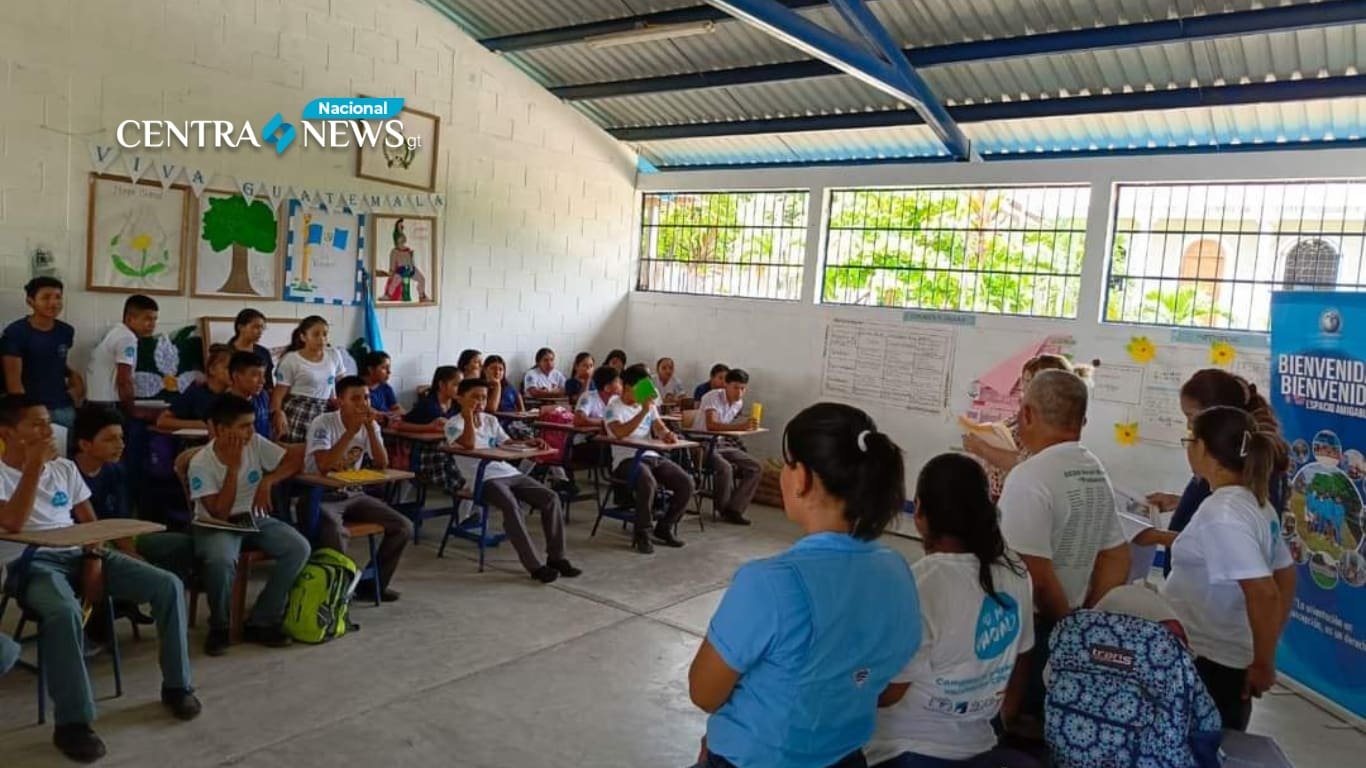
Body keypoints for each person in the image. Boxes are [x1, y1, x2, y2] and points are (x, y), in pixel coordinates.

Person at [689, 402, 921, 768]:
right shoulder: (898, 570)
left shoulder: (769, 583)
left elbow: (704, 692)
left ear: (803, 478)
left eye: (788, 464)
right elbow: (886, 685)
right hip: (844, 757)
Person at [0, 395, 199, 762]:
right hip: (30, 564)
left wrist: (93, 557)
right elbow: (11, 522)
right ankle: (74, 723)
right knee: (63, 613)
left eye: (48, 423)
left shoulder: (63, 469)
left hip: (80, 552)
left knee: (167, 584)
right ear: (7, 432)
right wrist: (31, 469)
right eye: (36, 424)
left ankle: (177, 686)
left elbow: (91, 524)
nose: (48, 432)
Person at [866, 454, 1034, 768]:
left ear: (918, 511)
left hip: (905, 749)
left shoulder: (922, 583)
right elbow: (1024, 654)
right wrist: (1004, 717)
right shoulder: (1015, 571)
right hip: (980, 742)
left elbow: (889, 693)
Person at [997, 370, 1129, 718]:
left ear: (1027, 414)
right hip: (1072, 618)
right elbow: (1117, 554)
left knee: (1023, 726)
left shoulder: (1029, 477)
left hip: (1037, 628)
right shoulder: (1092, 467)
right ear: (1082, 420)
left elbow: (1034, 575)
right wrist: (1087, 618)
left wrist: (1065, 625)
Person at [1162, 406, 1296, 731]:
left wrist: (1264, 662)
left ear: (1204, 449)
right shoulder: (1254, 502)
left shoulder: (1223, 512)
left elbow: (1264, 592)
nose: (1188, 449)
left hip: (1209, 661)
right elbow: (1286, 575)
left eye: (1189, 440)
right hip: (1227, 653)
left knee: (1203, 747)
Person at [189, 395, 309, 655]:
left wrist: (269, 481)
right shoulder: (201, 463)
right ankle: (219, 626)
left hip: (253, 517)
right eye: (244, 426)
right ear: (221, 429)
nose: (251, 432)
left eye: (252, 424)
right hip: (217, 525)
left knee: (298, 548)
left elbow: (294, 459)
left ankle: (262, 619)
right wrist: (233, 469)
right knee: (220, 561)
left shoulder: (254, 442)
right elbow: (219, 513)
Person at [446, 378, 581, 583]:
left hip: (507, 472)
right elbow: (469, 444)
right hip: (483, 479)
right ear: (460, 398)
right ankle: (534, 566)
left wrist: (528, 442)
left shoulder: (490, 420)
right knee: (511, 506)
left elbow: (506, 442)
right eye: (474, 397)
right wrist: (467, 417)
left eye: (483, 397)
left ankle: (557, 557)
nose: (480, 402)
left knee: (550, 498)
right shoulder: (453, 424)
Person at [1147, 369, 1291, 548]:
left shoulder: (1244, 469)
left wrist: (1157, 537)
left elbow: (1224, 546)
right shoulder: (1224, 468)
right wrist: (1180, 502)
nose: (1189, 427)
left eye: (1191, 417)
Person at [305, 376, 414, 602]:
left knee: (403, 526)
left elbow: (381, 463)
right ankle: (338, 593)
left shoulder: (369, 424)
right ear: (340, 401)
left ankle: (372, 585)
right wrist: (350, 432)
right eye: (355, 398)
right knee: (337, 532)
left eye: (366, 397)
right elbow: (324, 465)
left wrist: (370, 430)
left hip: (352, 493)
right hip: (320, 495)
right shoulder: (323, 423)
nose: (363, 403)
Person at [73, 407, 193, 583]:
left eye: (121, 437)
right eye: (109, 439)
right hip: (88, 545)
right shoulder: (66, 473)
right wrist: (131, 555)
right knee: (147, 573)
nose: (120, 445)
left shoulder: (116, 470)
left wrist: (130, 551)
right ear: (85, 444)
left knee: (184, 544)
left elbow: (122, 519)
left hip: (119, 537)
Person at [963, 354, 1087, 500]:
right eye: (1025, 381)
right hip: (999, 493)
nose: (1025, 389)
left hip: (1025, 496)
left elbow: (1030, 464)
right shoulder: (1023, 414)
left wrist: (983, 449)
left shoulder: (1055, 422)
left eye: (1032, 382)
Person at [605, 366, 695, 553]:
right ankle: (642, 533)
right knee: (647, 482)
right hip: (626, 459)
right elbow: (620, 433)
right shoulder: (613, 407)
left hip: (651, 454)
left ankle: (664, 527)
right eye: (641, 387)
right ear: (627, 387)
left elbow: (659, 426)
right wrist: (642, 412)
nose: (646, 392)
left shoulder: (648, 405)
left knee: (686, 482)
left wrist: (667, 434)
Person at [2, 276, 83, 428]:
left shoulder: (66, 331)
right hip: (32, 412)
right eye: (45, 297)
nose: (53, 303)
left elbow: (56, 362)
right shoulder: (16, 332)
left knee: (61, 451)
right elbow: (14, 383)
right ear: (30, 301)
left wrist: (75, 380)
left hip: (63, 408)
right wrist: (23, 414)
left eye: (58, 297)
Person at [691, 368, 763, 526]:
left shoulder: (739, 403)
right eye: (735, 387)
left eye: (743, 388)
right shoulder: (712, 397)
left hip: (721, 443)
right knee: (725, 468)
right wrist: (741, 427)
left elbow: (727, 429)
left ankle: (735, 509)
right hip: (702, 444)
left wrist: (747, 426)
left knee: (756, 467)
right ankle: (722, 509)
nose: (739, 392)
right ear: (726, 385)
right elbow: (711, 425)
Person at [393, 366, 466, 498]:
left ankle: (467, 507)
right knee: (456, 471)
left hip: (450, 448)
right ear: (442, 384)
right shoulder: (428, 404)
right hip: (428, 452)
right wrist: (429, 427)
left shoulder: (457, 405)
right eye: (456, 384)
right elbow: (400, 425)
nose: (460, 389)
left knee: (470, 466)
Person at [271, 316, 347, 443]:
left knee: (323, 452)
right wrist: (277, 413)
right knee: (298, 454)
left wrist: (339, 400)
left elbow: (343, 384)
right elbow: (278, 394)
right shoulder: (291, 359)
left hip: (325, 410)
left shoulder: (334, 354)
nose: (321, 339)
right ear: (303, 337)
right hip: (299, 410)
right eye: (316, 335)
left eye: (325, 334)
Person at [85, 294, 158, 411]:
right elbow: (124, 380)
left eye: (155, 319)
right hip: (109, 405)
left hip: (96, 402)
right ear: (130, 319)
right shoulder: (127, 338)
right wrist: (132, 410)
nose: (153, 325)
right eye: (147, 319)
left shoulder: (117, 332)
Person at [156, 344, 232, 432]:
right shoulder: (196, 392)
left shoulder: (235, 396)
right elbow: (162, 421)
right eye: (228, 368)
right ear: (212, 369)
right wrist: (200, 425)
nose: (233, 372)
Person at [226, 351, 272, 439]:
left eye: (263, 375)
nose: (262, 381)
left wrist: (278, 413)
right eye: (255, 375)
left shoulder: (262, 395)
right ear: (236, 376)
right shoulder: (227, 406)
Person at [226, 308, 275, 387]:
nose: (260, 332)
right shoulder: (225, 353)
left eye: (262, 328)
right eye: (256, 327)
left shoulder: (263, 352)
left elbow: (268, 384)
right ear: (240, 327)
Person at [382, 219, 428, 302]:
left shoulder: (408, 250)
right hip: (401, 270)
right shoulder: (394, 251)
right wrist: (391, 271)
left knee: (422, 279)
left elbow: (412, 262)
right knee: (394, 282)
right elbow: (392, 265)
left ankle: (422, 295)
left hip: (411, 269)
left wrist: (412, 265)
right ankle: (388, 295)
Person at [574, 365, 618, 429]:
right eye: (617, 382)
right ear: (607, 388)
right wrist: (606, 423)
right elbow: (579, 420)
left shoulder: (616, 399)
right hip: (587, 437)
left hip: (607, 437)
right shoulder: (588, 397)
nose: (621, 385)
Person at [362, 351, 402, 418]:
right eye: (384, 368)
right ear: (371, 369)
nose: (389, 372)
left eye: (389, 368)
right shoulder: (359, 390)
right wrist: (388, 414)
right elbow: (369, 412)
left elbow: (399, 409)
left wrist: (391, 413)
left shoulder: (386, 388)